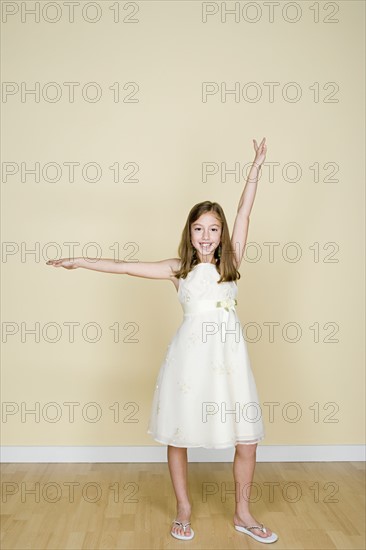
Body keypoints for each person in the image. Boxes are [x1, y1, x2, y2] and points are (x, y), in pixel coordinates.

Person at [46, 137, 278, 544]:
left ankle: (243, 512)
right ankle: (183, 508)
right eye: (199, 229)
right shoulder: (177, 269)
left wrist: (255, 167)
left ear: (222, 234)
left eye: (213, 229)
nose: (206, 236)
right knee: (179, 431)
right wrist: (80, 260)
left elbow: (245, 209)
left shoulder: (232, 262)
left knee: (247, 438)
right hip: (189, 361)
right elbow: (123, 267)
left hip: (230, 360)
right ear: (189, 234)